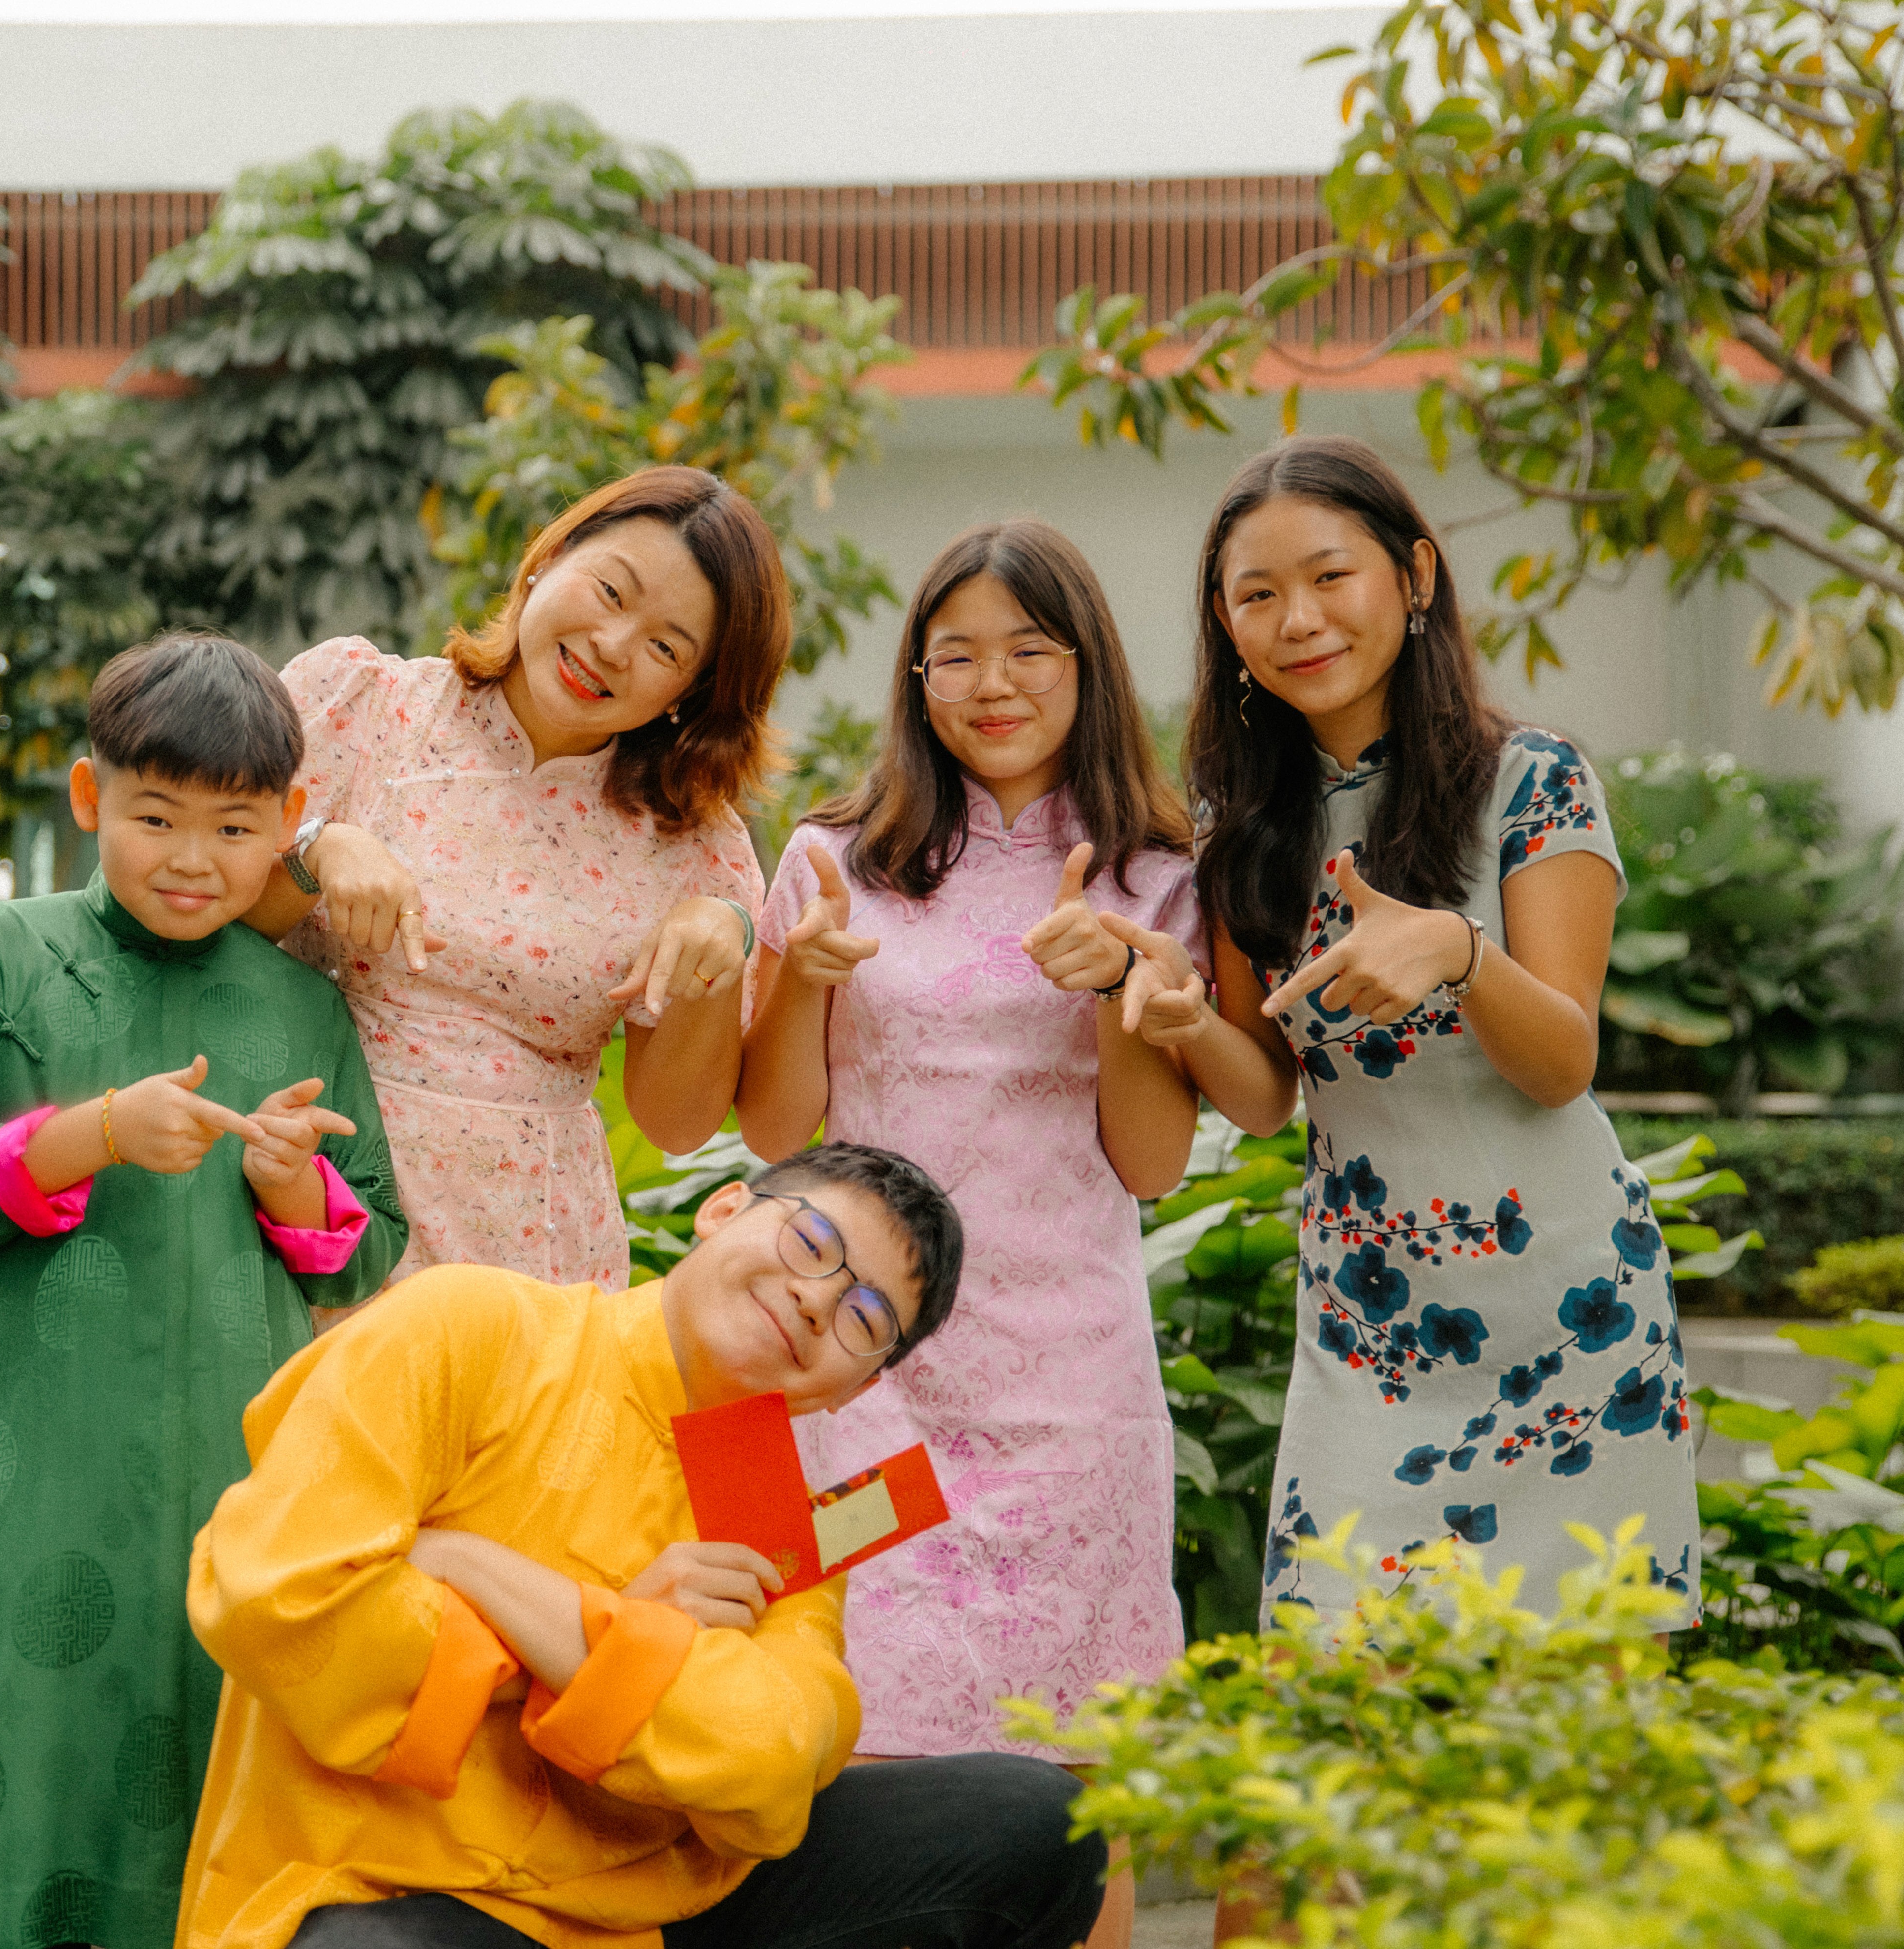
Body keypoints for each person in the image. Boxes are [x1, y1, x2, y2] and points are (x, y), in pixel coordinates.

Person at [176, 1140, 1109, 1949]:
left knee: (1042, 1822)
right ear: (723, 1208)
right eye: (812, 1243)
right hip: (382, 1884)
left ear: (853, 1391)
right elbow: (276, 1595)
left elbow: (774, 1756)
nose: (819, 1301)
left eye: (866, 1317)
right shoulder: (471, 1325)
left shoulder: (777, 1516)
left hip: (655, 1915)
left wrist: (477, 1568)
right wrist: (626, 1642)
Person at [1108, 434, 1698, 1623]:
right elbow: (1267, 1092)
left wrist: (1458, 954)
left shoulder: (1532, 784)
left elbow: (1562, 1066)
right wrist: (1179, 1018)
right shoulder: (1240, 824)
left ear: (1414, 578)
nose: (1298, 620)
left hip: (1572, 1314)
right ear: (1225, 629)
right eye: (1256, 596)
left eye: (1332, 576)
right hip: (1370, 1324)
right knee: (1333, 1677)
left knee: (1572, 1717)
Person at [0, 633, 409, 1949]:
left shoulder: (303, 1001)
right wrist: (92, 1132)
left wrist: (291, 1184)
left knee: (210, 1795)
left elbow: (373, 1236)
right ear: (86, 795)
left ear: (289, 826)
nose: (191, 857)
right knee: (25, 1775)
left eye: (234, 826)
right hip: (35, 1461)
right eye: (155, 814)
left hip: (241, 1475)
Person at [733, 522, 1195, 1949]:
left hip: (1067, 1390)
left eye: (1027, 650)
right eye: (956, 655)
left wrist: (1120, 985)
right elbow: (768, 1131)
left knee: (1075, 1774)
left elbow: (1155, 1159)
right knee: (843, 1741)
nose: (989, 683)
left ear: (1085, 666)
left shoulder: (1160, 871)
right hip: (850, 1381)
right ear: (914, 675)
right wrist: (801, 978)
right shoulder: (829, 855)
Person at [243, 465, 788, 1294]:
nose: (613, 645)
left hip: (530, 1248)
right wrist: (315, 851)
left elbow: (675, 1123)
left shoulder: (696, 848)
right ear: (548, 559)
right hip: (307, 1200)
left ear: (693, 693)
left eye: (666, 646)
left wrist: (721, 951)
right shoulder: (366, 705)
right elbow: (194, 922)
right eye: (610, 591)